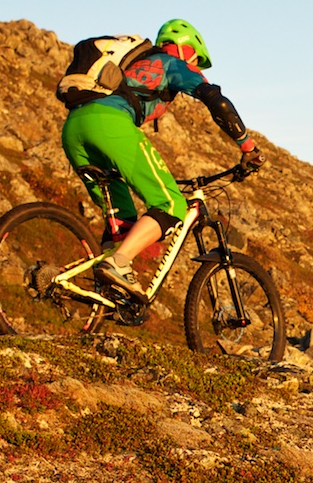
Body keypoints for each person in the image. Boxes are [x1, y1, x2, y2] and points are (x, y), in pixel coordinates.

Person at [58, 18, 261, 298]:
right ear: (185, 48)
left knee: (122, 219)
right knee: (171, 203)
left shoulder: (130, 65)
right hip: (110, 125)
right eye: (196, 59)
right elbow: (216, 101)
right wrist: (248, 148)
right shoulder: (172, 63)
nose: (196, 66)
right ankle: (117, 265)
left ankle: (107, 295)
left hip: (73, 129)